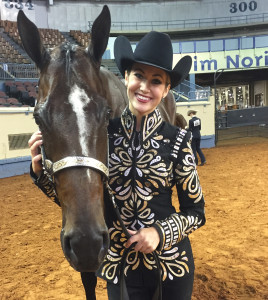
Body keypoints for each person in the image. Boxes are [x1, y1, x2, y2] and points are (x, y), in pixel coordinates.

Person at [29, 31, 206, 300]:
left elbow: (196, 212)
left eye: (156, 81)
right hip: (121, 269)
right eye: (138, 76)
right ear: (126, 77)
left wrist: (159, 232)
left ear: (167, 89)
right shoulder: (103, 137)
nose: (145, 87)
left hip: (172, 266)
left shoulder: (179, 141)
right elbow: (85, 198)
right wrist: (41, 174)